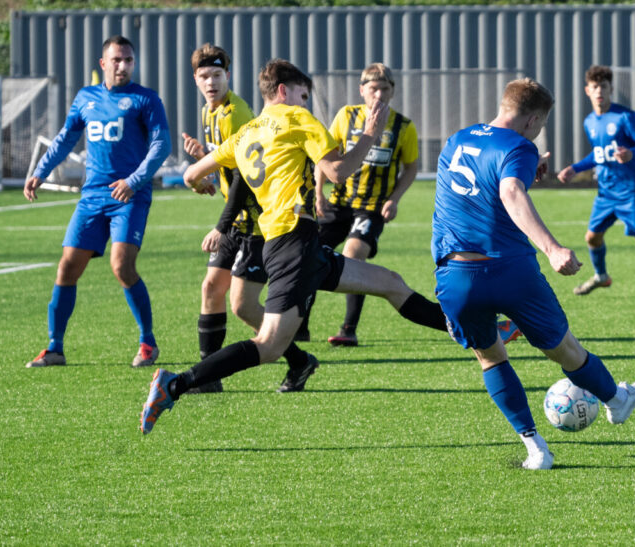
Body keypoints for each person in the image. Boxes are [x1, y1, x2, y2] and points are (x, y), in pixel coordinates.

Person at [140, 59, 449, 434]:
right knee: (269, 344)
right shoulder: (298, 119)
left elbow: (191, 173)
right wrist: (371, 133)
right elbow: (337, 172)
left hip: (290, 243)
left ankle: (475, 328)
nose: (306, 103)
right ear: (284, 91)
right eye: (304, 95)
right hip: (294, 245)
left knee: (391, 283)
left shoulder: (246, 132)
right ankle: (174, 385)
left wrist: (200, 185)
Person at [433, 78, 635, 469]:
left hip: (456, 273)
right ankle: (618, 400)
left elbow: (475, 187)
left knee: (490, 359)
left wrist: (524, 168)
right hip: (509, 269)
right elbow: (510, 192)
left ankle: (535, 449)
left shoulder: (456, 139)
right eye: (541, 125)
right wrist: (552, 249)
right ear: (533, 119)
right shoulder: (520, 146)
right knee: (566, 350)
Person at [23, 35, 171, 369]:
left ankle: (148, 343)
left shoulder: (146, 99)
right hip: (92, 196)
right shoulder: (86, 98)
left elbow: (161, 145)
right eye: (117, 60)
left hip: (129, 196)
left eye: (128, 60)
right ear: (103, 63)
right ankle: (55, 348)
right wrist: (41, 170)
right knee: (67, 268)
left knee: (122, 266)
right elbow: (66, 138)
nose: (123, 66)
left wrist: (133, 181)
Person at [179, 44, 311, 394]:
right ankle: (209, 378)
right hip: (236, 219)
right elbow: (232, 164)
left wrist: (220, 227)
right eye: (204, 76)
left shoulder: (236, 113)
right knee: (211, 289)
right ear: (195, 80)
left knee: (243, 306)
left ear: (228, 76)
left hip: (254, 223)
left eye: (217, 75)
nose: (211, 82)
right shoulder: (210, 112)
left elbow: (242, 180)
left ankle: (297, 358)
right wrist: (206, 165)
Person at [302, 63, 420, 347]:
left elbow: (411, 167)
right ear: (362, 90)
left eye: (384, 89)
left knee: (353, 255)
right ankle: (299, 326)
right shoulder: (346, 116)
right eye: (373, 88)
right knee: (306, 255)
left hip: (372, 208)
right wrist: (318, 194)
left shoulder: (403, 126)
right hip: (338, 203)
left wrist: (394, 199)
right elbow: (325, 156)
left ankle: (348, 329)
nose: (379, 94)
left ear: (392, 91)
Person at [556, 65, 635, 301]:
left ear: (611, 89)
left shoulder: (625, 117)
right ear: (587, 90)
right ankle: (601, 276)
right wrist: (575, 168)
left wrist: (632, 153)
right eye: (595, 87)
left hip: (631, 192)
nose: (599, 91)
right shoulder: (589, 122)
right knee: (592, 237)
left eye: (603, 86)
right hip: (606, 193)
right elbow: (598, 154)